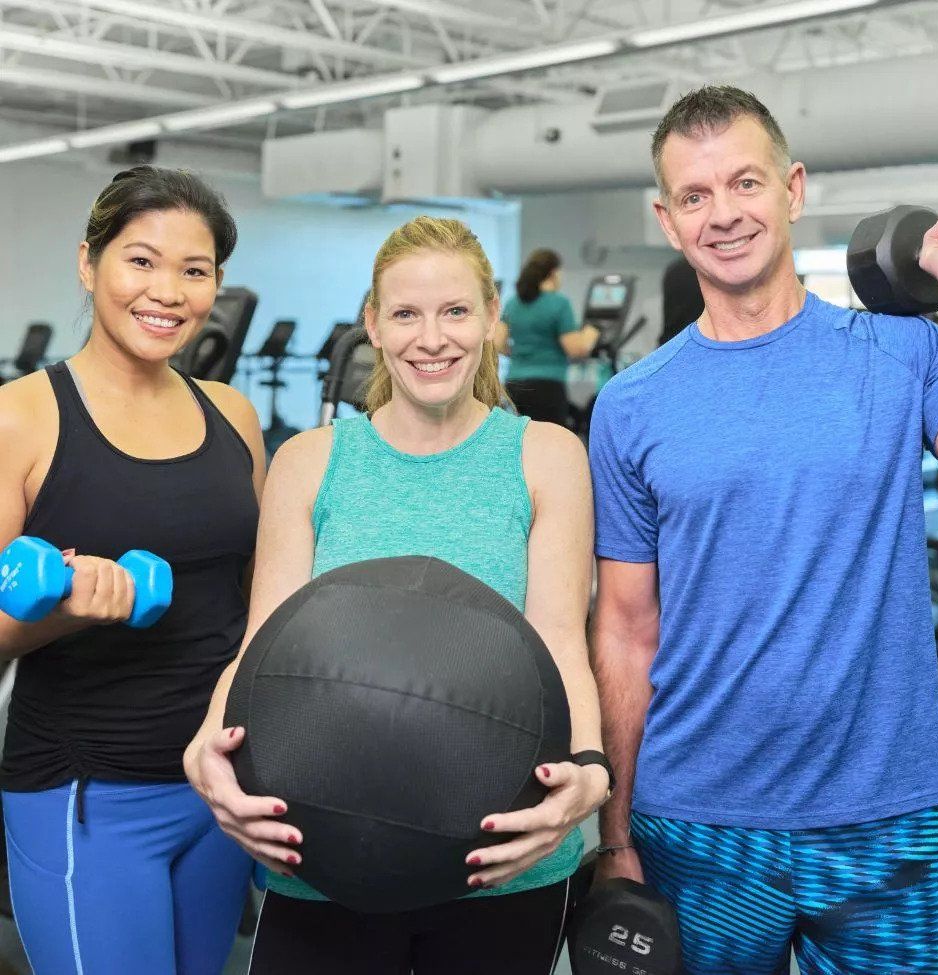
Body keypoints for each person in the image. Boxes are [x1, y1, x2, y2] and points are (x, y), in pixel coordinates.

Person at [589, 85, 938, 975]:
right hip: (698, 818)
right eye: (694, 195)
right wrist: (615, 834)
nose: (722, 214)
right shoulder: (630, 405)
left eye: (745, 183)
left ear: (792, 189)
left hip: (886, 815)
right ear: (665, 217)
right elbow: (623, 626)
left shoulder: (901, 351)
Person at [185, 216, 611, 974]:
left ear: (489, 320)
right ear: (373, 326)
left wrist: (589, 770)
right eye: (406, 314)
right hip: (320, 850)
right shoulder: (310, 462)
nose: (432, 338)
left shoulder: (545, 454)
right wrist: (206, 748)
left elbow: (558, 640)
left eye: (454, 311)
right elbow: (262, 648)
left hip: (500, 852)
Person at [0, 166, 265, 975]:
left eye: (195, 270)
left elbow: (260, 598)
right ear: (90, 263)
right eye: (140, 260)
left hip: (217, 789)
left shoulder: (232, 413)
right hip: (87, 795)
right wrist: (68, 609)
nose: (169, 291)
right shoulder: (21, 418)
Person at [498, 248, 600, 425]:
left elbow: (498, 343)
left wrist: (522, 352)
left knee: (520, 441)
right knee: (549, 444)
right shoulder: (559, 303)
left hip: (515, 385)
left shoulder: (513, 303)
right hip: (547, 387)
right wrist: (592, 332)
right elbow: (576, 349)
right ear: (553, 273)